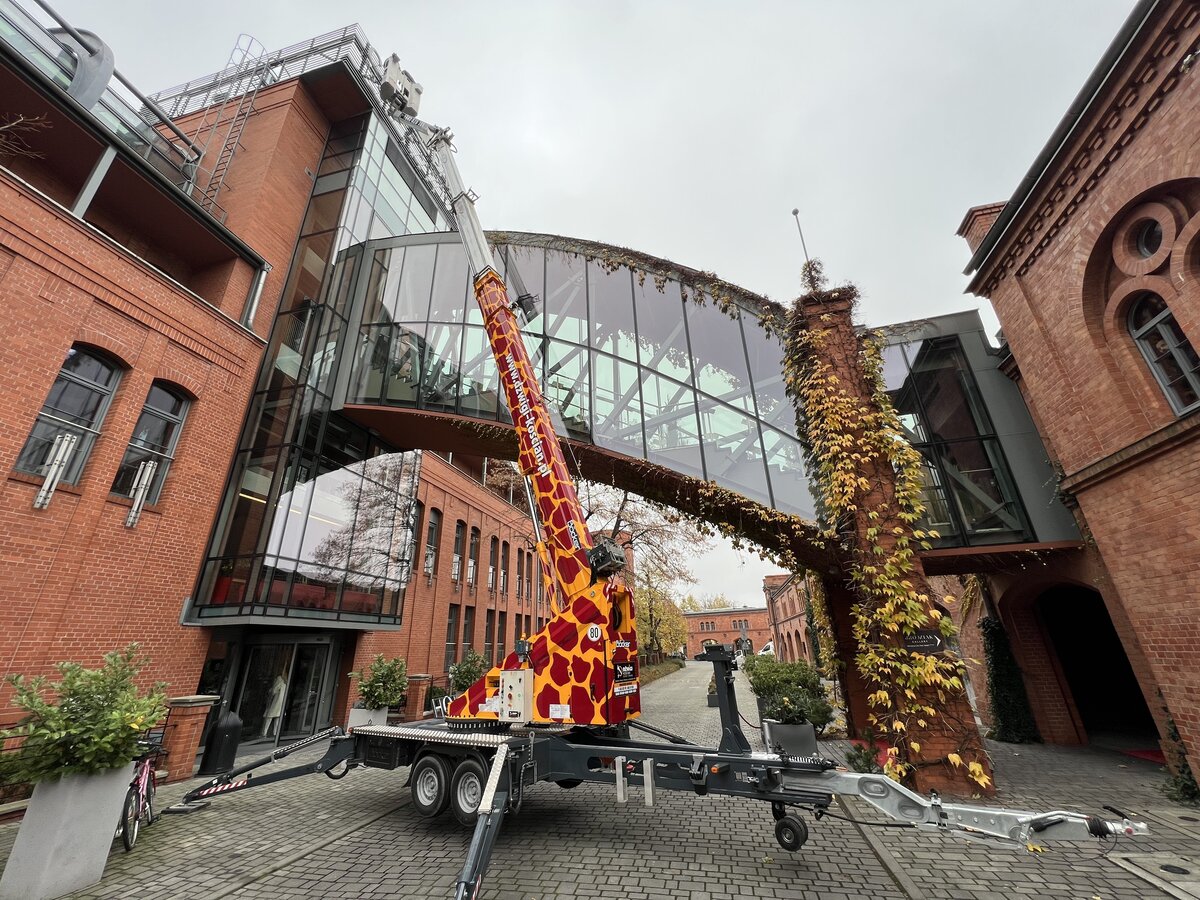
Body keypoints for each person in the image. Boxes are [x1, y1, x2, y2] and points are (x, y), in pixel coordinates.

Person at [261, 673, 286, 737]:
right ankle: (275, 734)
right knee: (277, 718)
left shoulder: (279, 679)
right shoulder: (286, 681)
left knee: (269, 717)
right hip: (281, 702)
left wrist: (270, 690)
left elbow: (274, 690)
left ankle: (264, 733)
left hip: (276, 701)